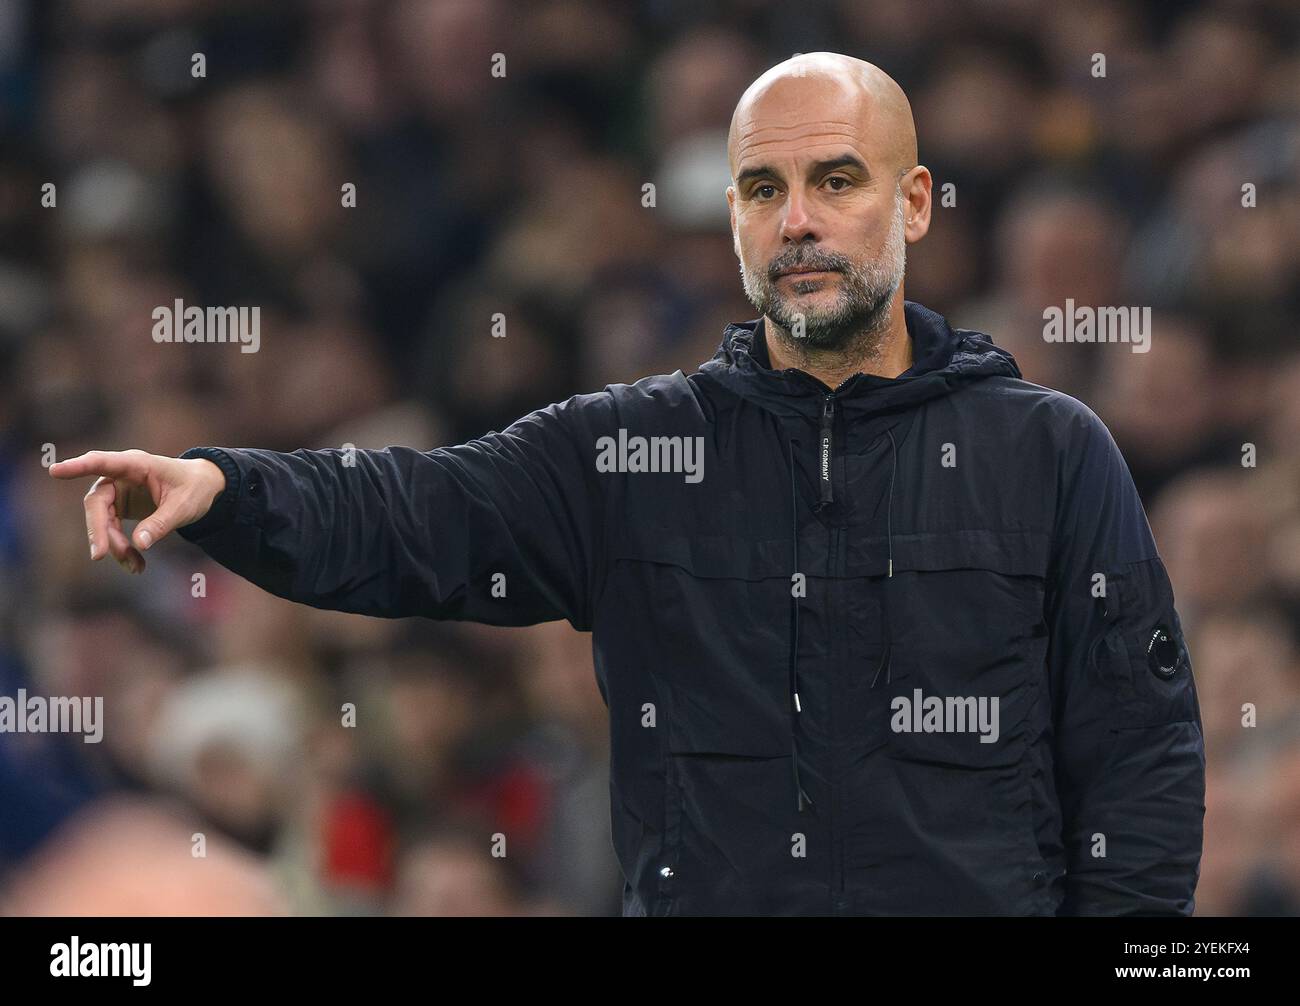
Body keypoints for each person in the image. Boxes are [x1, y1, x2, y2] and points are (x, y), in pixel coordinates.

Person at [50, 52, 1205, 916]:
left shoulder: (1049, 452)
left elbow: (1141, 757)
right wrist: (227, 486)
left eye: (835, 180)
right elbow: (420, 512)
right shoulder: (635, 451)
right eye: (761, 189)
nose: (795, 221)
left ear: (912, 204)